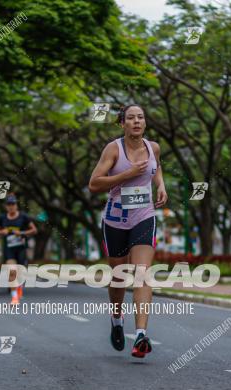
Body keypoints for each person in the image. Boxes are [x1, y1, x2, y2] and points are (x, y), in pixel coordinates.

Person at [88, 104, 168, 358]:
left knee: (142, 273)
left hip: (144, 215)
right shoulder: (114, 149)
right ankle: (116, 318)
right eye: (131, 118)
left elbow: (157, 167)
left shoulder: (153, 147)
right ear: (122, 124)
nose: (137, 121)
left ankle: (142, 334)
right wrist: (128, 174)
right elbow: (94, 184)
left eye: (141, 117)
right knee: (119, 277)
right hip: (115, 220)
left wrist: (161, 185)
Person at [0, 194, 37, 304]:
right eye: (9, 204)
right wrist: (2, 232)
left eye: (13, 204)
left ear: (16, 205)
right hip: (9, 249)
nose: (11, 206)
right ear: (6, 206)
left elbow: (34, 230)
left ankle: (19, 288)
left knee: (20, 273)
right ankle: (14, 298)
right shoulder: (2, 218)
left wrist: (21, 233)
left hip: (21, 248)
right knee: (12, 271)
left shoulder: (23, 217)